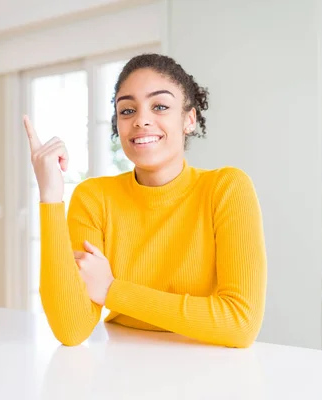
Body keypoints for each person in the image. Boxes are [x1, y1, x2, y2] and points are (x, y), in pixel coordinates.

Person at [23, 53, 267, 348]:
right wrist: (50, 197)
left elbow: (240, 323)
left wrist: (113, 291)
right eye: (127, 110)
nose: (141, 120)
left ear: (189, 119)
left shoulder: (227, 189)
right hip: (121, 367)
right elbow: (70, 330)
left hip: (206, 369)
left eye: (160, 106)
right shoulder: (94, 198)